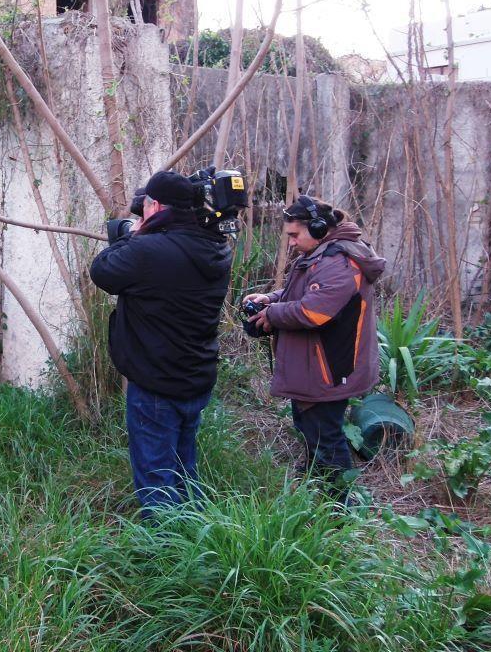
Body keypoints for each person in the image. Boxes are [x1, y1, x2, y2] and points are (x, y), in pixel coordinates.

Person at [90, 170, 233, 516]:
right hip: (196, 375)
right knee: (184, 465)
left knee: (156, 475)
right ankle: (193, 530)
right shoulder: (216, 246)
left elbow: (102, 271)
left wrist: (135, 234)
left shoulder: (148, 250)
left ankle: (165, 543)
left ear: (154, 207)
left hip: (156, 381)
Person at [244, 195, 385, 496]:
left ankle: (338, 509)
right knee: (312, 429)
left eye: (295, 234)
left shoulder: (339, 261)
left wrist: (272, 314)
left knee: (326, 437)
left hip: (330, 367)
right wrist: (271, 299)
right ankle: (318, 493)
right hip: (318, 366)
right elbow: (305, 292)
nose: (291, 242)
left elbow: (314, 311)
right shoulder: (322, 254)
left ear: (319, 228)